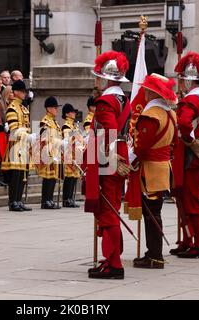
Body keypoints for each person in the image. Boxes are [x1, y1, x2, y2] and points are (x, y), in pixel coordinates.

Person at [85, 51, 131, 279]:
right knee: (112, 204)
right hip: (118, 153)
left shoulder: (105, 102)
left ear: (106, 78)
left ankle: (114, 263)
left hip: (107, 157)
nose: (96, 81)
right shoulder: (124, 98)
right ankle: (111, 259)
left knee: (108, 211)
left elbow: (110, 133)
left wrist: (109, 158)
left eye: (98, 77)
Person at [171, 51, 199, 259]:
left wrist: (189, 140)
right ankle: (188, 240)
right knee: (185, 200)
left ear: (187, 80)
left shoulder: (191, 100)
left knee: (190, 201)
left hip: (191, 156)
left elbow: (183, 123)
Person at [130, 74, 178, 269]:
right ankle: (153, 252)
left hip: (150, 169)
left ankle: (155, 255)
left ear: (151, 92)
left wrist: (131, 158)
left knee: (151, 213)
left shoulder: (152, 115)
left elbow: (142, 146)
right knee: (154, 211)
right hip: (163, 167)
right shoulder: (170, 114)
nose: (144, 92)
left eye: (146, 90)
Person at [1, 80, 36, 212]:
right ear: (15, 92)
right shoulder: (12, 108)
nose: (24, 94)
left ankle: (19, 200)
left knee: (23, 174)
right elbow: (14, 129)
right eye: (22, 91)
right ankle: (12, 201)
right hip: (16, 144)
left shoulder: (23, 108)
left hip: (24, 144)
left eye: (24, 91)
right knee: (16, 174)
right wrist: (28, 136)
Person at [36, 97, 64, 210]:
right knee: (48, 177)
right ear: (48, 108)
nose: (57, 110)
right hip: (47, 152)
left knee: (53, 178)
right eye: (55, 107)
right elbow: (46, 138)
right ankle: (45, 201)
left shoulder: (54, 122)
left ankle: (50, 199)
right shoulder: (45, 121)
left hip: (55, 152)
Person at [61, 103, 82, 208]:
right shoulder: (66, 126)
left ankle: (70, 198)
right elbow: (67, 140)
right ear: (67, 114)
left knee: (74, 177)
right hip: (69, 154)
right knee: (69, 177)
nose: (74, 114)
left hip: (76, 153)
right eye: (72, 112)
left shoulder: (74, 125)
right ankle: (66, 199)